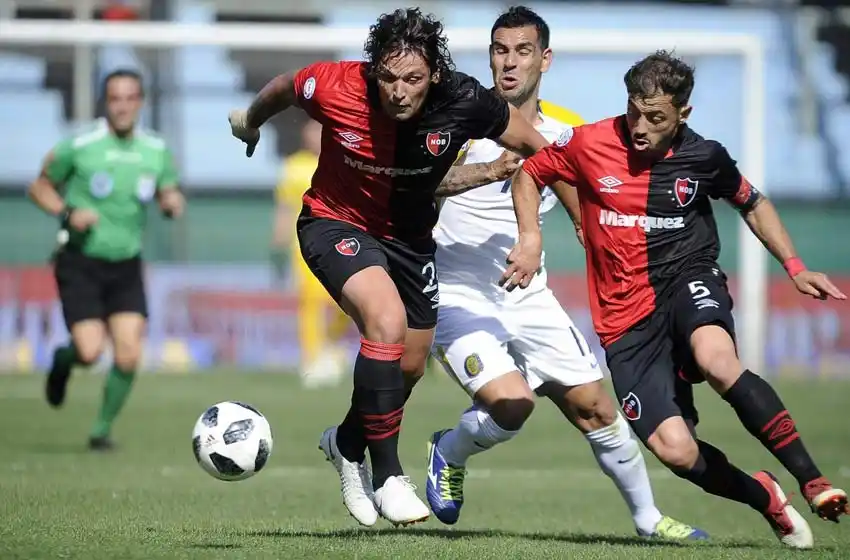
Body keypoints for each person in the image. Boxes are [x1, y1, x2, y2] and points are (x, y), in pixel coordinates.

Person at [504, 50, 848, 549]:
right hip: (625, 319)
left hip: (689, 279)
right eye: (633, 112)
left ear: (683, 114)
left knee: (717, 359)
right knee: (676, 451)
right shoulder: (588, 142)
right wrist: (531, 235)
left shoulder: (704, 156)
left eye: (656, 117)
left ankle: (812, 480)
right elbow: (531, 172)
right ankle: (765, 497)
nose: (640, 126)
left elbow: (752, 203)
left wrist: (794, 268)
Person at [228, 8, 551, 527]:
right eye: (388, 77)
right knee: (385, 324)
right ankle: (388, 475)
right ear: (371, 68)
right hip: (336, 224)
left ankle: (347, 442)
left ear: (435, 76)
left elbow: (540, 150)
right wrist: (251, 121)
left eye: (413, 79)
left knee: (407, 366)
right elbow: (285, 86)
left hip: (410, 239)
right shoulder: (334, 84)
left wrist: (541, 228)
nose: (399, 91)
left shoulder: (465, 99)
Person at [424, 7, 705, 540]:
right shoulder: (457, 118)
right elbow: (416, 183)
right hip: (460, 292)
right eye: (500, 50)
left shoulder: (563, 131)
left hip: (530, 295)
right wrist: (486, 170)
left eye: (523, 51)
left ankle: (649, 522)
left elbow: (584, 199)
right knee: (512, 406)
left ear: (544, 59)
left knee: (597, 408)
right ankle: (449, 449)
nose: (510, 63)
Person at [28, 68, 185, 451]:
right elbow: (40, 186)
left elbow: (167, 190)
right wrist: (67, 212)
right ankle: (64, 361)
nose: (123, 106)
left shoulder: (156, 149)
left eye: (130, 98)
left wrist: (171, 202)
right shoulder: (81, 145)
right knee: (89, 351)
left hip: (126, 264)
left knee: (129, 354)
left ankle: (100, 431)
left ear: (141, 102)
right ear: (105, 102)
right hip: (81, 261)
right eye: (115, 98)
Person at [273, 119, 351, 388]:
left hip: (343, 241)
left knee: (347, 301)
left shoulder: (343, 162)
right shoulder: (294, 166)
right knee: (311, 302)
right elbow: (285, 205)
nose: (315, 136)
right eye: (311, 131)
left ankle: (329, 345)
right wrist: (279, 238)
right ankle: (311, 358)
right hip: (305, 244)